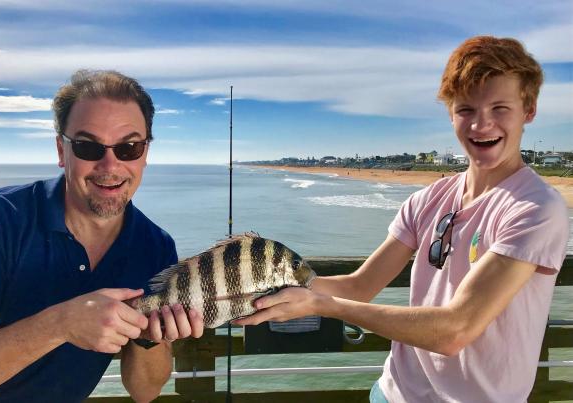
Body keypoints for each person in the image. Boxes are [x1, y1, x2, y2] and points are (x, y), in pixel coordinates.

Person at [235, 36, 570, 402]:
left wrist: (320, 305)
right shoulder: (427, 200)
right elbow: (359, 286)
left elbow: (455, 330)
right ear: (450, 114)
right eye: (466, 110)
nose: (481, 125)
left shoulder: (536, 208)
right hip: (392, 393)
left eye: (500, 108)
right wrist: (263, 287)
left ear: (529, 109)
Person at [0, 70, 204, 402]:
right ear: (62, 151)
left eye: (129, 147)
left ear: (146, 153)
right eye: (88, 146)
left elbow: (145, 390)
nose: (110, 165)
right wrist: (60, 324)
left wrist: (150, 337)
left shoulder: (154, 246)